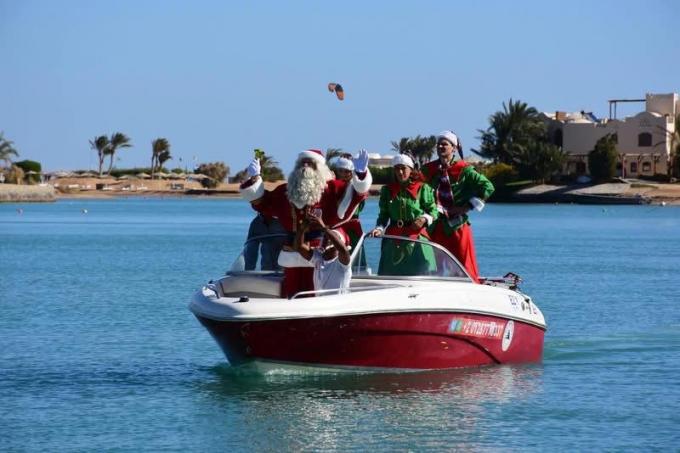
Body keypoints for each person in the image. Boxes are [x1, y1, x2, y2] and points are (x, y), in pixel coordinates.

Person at [240, 149, 371, 297]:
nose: (306, 167)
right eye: (303, 163)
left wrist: (361, 174)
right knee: (291, 292)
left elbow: (357, 193)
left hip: (323, 252)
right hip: (293, 251)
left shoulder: (333, 189)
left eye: (311, 164)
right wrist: (255, 178)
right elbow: (262, 203)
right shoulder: (285, 192)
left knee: (318, 292)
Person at [421, 130, 495, 282]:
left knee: (464, 264)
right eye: (439, 144)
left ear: (453, 148)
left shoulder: (464, 169)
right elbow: (415, 186)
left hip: (457, 226)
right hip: (436, 225)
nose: (441, 147)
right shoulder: (429, 170)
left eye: (445, 144)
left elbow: (488, 187)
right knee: (435, 266)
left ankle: (470, 288)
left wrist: (466, 207)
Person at [369, 154, 438, 276]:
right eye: (397, 168)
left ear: (411, 169)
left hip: (417, 238)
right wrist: (379, 228)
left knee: (422, 274)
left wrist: (424, 218)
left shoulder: (422, 188)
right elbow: (383, 216)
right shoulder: (387, 191)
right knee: (390, 277)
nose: (400, 172)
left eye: (403, 168)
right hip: (393, 239)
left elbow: (433, 211)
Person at [293, 212, 351, 294]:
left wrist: (324, 227)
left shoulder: (342, 263)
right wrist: (303, 227)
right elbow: (299, 247)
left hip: (338, 305)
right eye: (327, 237)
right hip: (319, 304)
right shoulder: (318, 257)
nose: (328, 239)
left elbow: (343, 250)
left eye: (334, 238)